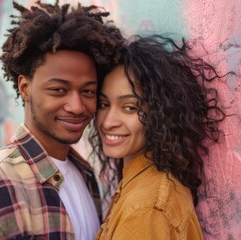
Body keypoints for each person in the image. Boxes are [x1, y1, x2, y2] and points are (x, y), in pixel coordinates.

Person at [0, 1, 123, 239]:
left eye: (88, 91)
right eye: (58, 90)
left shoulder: (84, 174)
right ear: (25, 87)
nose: (77, 107)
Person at [90, 35, 227, 239]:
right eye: (103, 104)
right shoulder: (141, 183)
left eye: (129, 107)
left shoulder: (146, 209)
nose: (108, 122)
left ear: (160, 113)